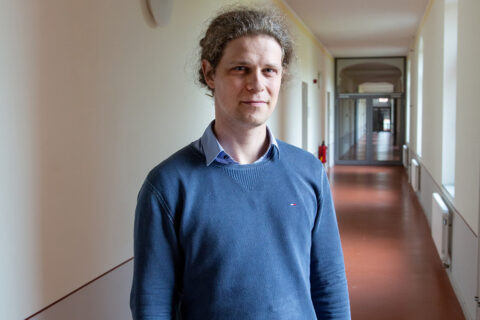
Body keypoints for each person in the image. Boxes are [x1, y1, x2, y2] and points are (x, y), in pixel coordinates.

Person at [130, 6, 350, 320]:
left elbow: (329, 284)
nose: (256, 84)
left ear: (281, 76)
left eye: (269, 70)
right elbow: (151, 305)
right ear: (209, 74)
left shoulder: (309, 172)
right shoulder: (168, 185)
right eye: (240, 69)